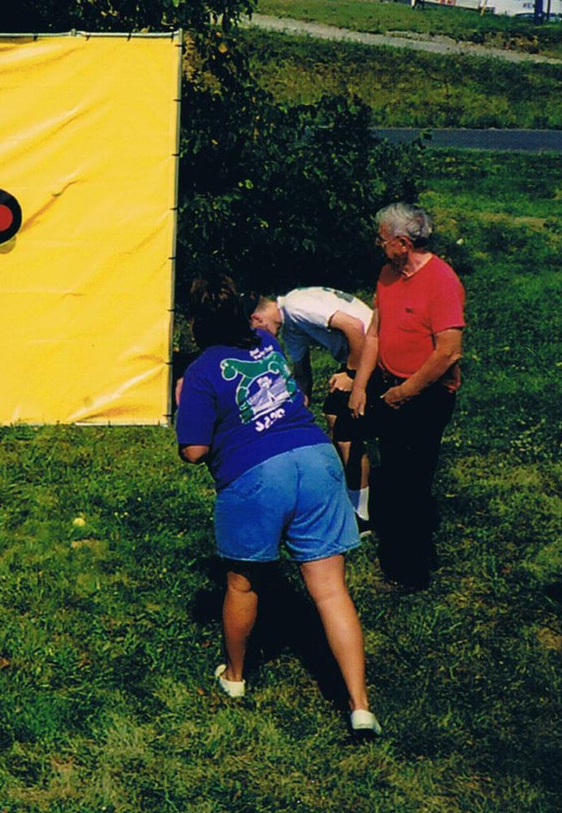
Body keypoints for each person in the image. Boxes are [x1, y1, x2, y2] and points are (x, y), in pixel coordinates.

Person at [176, 274, 381, 740]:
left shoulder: (202, 371)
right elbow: (296, 393)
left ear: (196, 325)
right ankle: (360, 706)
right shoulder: (268, 343)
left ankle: (235, 677)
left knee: (243, 583)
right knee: (330, 591)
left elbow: (193, 451)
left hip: (257, 477)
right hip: (315, 458)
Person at [348, 203, 465, 592]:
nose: (378, 245)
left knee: (407, 483)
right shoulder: (388, 274)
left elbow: (448, 351)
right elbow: (375, 333)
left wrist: (404, 392)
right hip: (391, 387)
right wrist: (362, 385)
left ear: (402, 242)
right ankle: (414, 551)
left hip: (426, 396)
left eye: (382, 239)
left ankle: (408, 572)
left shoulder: (442, 281)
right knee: (397, 473)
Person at [251, 287, 375, 524]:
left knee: (345, 433)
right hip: (361, 354)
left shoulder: (296, 307)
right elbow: (302, 372)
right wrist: (299, 404)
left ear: (257, 319)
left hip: (373, 351)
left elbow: (355, 327)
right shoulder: (290, 324)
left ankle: (361, 515)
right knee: (333, 417)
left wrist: (351, 374)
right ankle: (345, 497)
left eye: (254, 330)